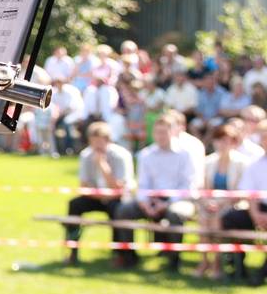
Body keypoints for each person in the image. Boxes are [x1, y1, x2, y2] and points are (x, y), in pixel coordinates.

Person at [115, 117, 200, 271]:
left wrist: (167, 203)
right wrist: (144, 203)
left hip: (177, 200)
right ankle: (129, 257)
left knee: (175, 214)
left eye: (164, 132)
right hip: (151, 199)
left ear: (173, 132)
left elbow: (188, 186)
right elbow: (143, 184)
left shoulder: (186, 154)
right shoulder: (146, 154)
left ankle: (174, 260)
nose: (160, 136)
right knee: (124, 210)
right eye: (157, 132)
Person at [63, 122, 133, 265]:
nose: (97, 146)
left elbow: (120, 188)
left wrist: (103, 166)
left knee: (119, 210)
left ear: (108, 140)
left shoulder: (121, 155)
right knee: (74, 205)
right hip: (96, 197)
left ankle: (120, 254)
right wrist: (101, 195)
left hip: (116, 198)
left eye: (100, 142)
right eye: (93, 142)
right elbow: (83, 186)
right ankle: (72, 250)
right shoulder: (86, 155)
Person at [196, 123, 250, 278]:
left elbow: (241, 191)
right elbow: (203, 188)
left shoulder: (242, 163)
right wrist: (208, 203)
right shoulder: (208, 161)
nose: (222, 144)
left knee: (216, 220)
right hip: (210, 205)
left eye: (226, 140)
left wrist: (220, 204)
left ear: (234, 142)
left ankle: (217, 263)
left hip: (233, 205)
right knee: (203, 219)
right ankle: (204, 261)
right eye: (219, 140)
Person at [220, 153, 267, 285]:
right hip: (257, 208)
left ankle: (261, 274)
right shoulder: (255, 164)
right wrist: (256, 215)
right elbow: (248, 192)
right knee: (231, 218)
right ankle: (239, 267)